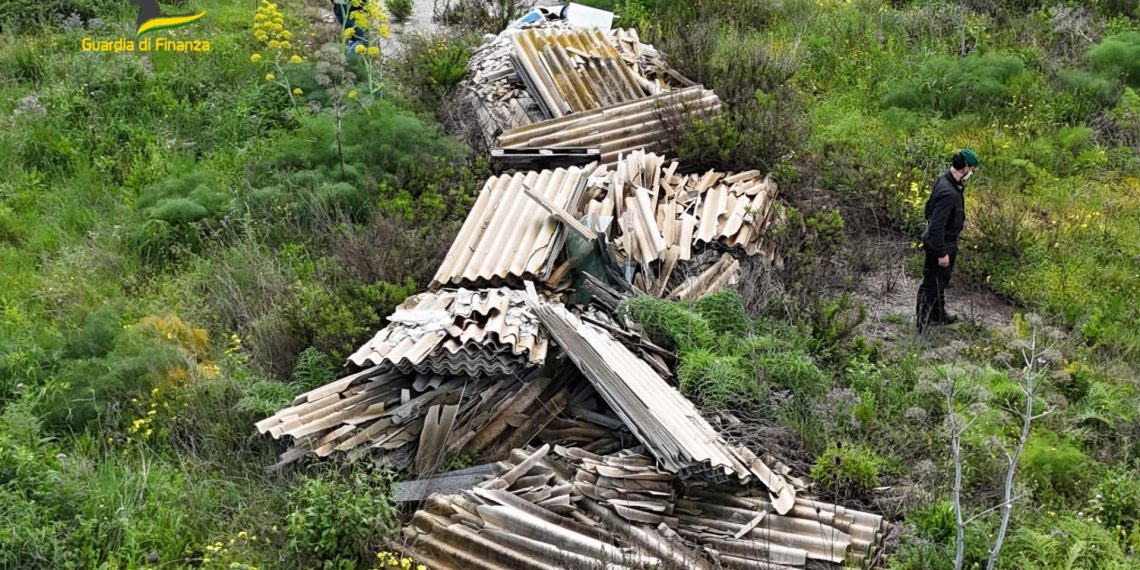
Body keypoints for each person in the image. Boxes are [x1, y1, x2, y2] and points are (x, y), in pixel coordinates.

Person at [916, 148, 979, 331]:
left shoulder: (946, 182)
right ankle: (923, 321)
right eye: (971, 168)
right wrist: (942, 253)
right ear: (965, 167)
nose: (972, 172)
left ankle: (938, 315)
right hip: (941, 243)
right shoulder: (949, 192)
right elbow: (936, 225)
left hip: (944, 241)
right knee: (932, 283)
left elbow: (929, 211)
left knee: (941, 281)